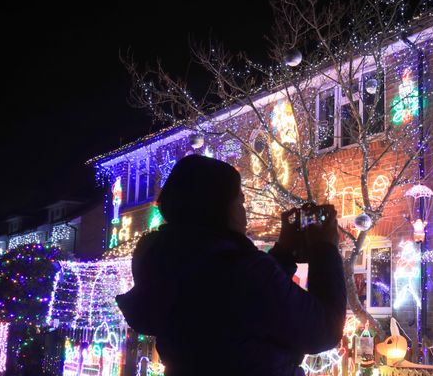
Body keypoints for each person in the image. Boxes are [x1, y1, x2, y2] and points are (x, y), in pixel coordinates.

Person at [116, 155, 346, 375]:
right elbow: (324, 329)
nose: (243, 211)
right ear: (218, 206)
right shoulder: (243, 272)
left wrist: (283, 254)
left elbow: (244, 306)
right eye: (239, 200)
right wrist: (324, 249)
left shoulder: (166, 261)